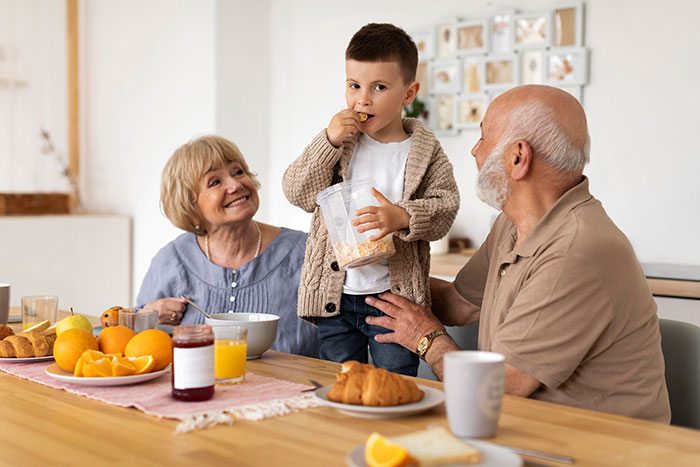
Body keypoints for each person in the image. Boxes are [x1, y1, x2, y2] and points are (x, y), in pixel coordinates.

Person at [364, 84, 671, 423]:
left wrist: (425, 338)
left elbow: (496, 390)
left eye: (483, 138)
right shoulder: (513, 224)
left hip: (597, 451)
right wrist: (373, 279)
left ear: (518, 158)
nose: (474, 151)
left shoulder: (575, 252)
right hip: (528, 434)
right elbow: (461, 303)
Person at [282, 23, 460, 376]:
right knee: (342, 384)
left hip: (393, 302)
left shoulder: (423, 151)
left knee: (394, 385)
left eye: (379, 87)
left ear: (409, 94)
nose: (362, 99)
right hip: (336, 298)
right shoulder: (340, 143)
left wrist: (403, 216)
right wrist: (327, 142)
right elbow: (297, 191)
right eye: (354, 86)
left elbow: (446, 206)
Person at [137, 135, 320, 358]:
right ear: (190, 204)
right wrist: (148, 318)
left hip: (298, 391)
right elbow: (134, 345)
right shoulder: (171, 260)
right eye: (215, 182)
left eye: (238, 172)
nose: (235, 185)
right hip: (201, 389)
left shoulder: (307, 251)